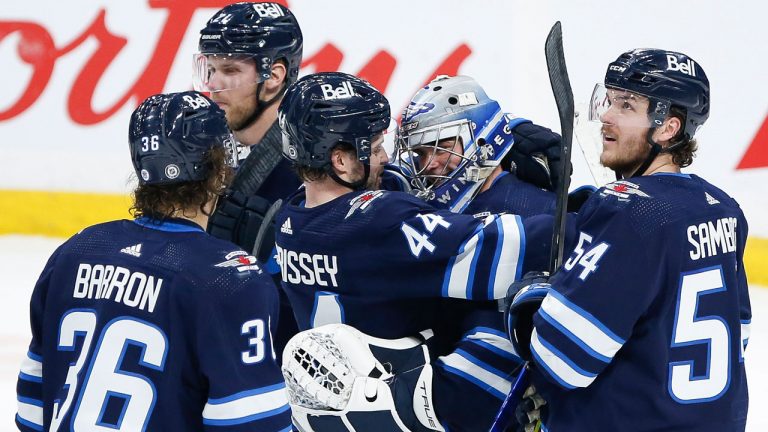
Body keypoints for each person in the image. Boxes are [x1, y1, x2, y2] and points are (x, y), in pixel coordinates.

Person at [274, 71, 555, 431]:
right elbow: (526, 247)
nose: (385, 157)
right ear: (340, 161)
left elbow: (391, 188)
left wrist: (502, 132)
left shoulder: (293, 218)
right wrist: (593, 209)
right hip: (410, 413)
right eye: (374, 148)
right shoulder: (383, 222)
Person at [15, 91, 291, 432]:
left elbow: (32, 404)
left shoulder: (75, 252)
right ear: (220, 169)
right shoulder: (230, 279)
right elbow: (253, 425)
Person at [505, 49, 751, 431]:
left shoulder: (628, 212)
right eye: (609, 99)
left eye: (627, 105)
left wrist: (536, 300)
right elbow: (740, 337)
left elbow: (562, 360)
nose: (606, 114)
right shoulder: (723, 208)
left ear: (667, 128)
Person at [195, 1, 304, 248]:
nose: (212, 84)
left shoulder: (308, 174)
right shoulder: (214, 155)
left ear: (274, 76)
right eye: (211, 69)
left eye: (230, 70)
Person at [396, 74, 560, 217]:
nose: (428, 165)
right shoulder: (418, 208)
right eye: (421, 153)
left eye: (442, 149)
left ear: (482, 140)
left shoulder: (540, 211)